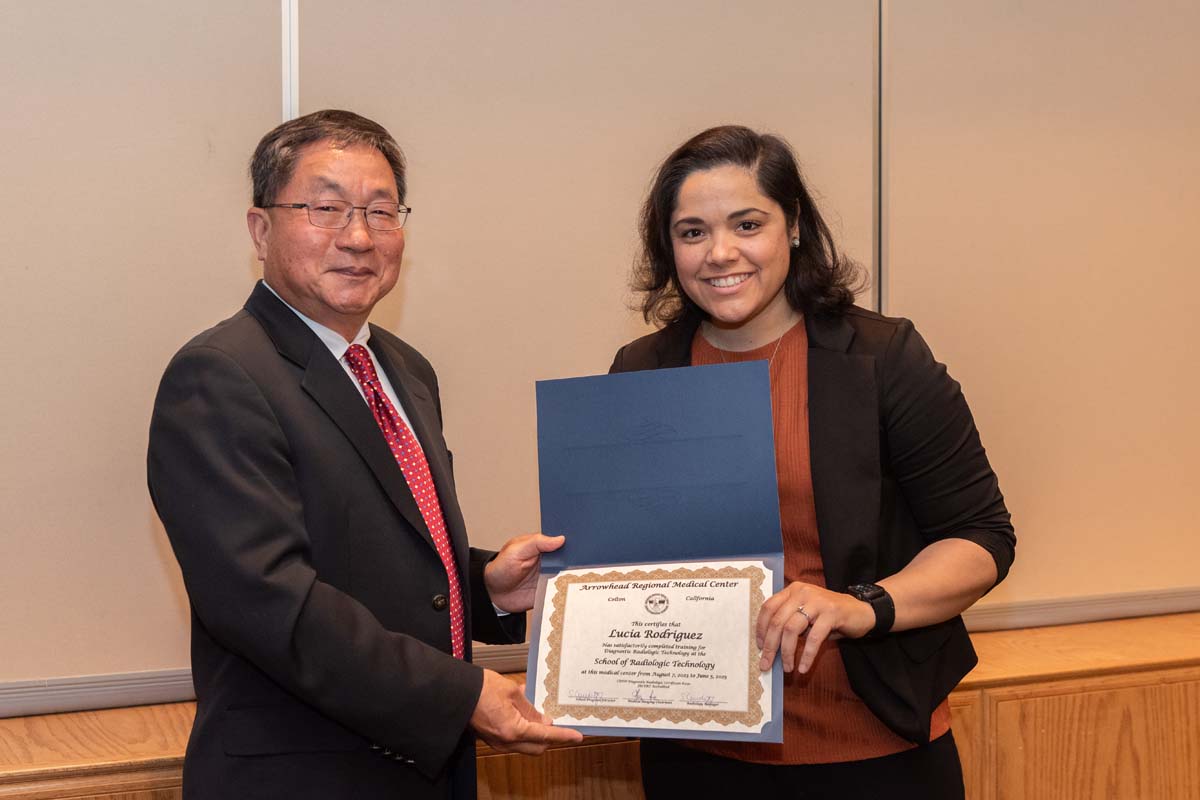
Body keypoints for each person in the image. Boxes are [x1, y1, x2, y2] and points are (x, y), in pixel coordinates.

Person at [147, 109, 581, 800]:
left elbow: (376, 555)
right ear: (261, 229)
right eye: (325, 208)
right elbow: (270, 600)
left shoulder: (403, 369)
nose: (357, 236)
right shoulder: (221, 375)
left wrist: (486, 585)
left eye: (381, 211)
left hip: (421, 770)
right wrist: (461, 694)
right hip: (304, 777)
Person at [609, 125, 1015, 798]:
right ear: (668, 247)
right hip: (695, 748)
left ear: (793, 226)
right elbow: (629, 555)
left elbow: (982, 539)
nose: (720, 253)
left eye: (747, 223)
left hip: (871, 746)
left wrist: (862, 606)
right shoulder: (643, 370)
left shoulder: (883, 359)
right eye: (691, 232)